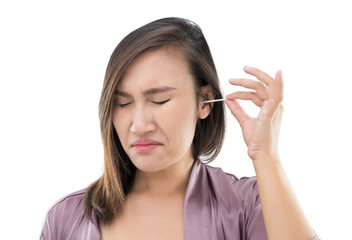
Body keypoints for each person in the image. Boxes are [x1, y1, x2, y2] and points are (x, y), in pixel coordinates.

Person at [40, 17, 320, 240]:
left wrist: (266, 157)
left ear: (205, 102)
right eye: (123, 104)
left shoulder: (247, 206)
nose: (138, 125)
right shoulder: (66, 218)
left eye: (159, 100)